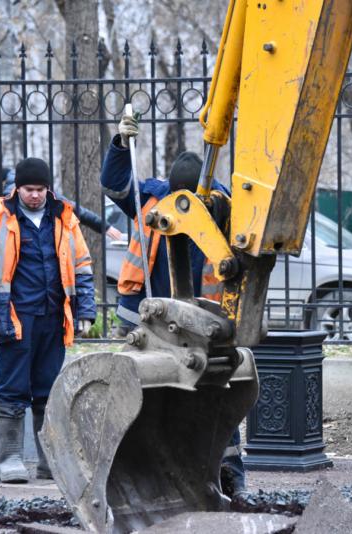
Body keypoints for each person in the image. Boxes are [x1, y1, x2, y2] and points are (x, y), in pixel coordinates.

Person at [99, 112, 244, 496]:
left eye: (193, 199)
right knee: (152, 392)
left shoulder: (221, 207)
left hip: (203, 320)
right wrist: (119, 145)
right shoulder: (150, 199)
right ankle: (148, 469)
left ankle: (227, 471)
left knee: (214, 389)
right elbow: (113, 184)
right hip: (148, 318)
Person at [0, 157, 97, 483]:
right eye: (28, 189)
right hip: (14, 318)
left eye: (40, 189)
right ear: (17, 188)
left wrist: (85, 311)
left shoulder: (64, 217)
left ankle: (47, 461)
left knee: (48, 390)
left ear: (48, 188)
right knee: (12, 388)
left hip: (53, 317)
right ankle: (10, 459)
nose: (35, 196)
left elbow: (82, 267)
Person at [0, 167, 124, 238]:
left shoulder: (2, 199)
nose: (34, 194)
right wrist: (103, 226)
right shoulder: (43, 189)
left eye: (38, 190)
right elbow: (73, 207)